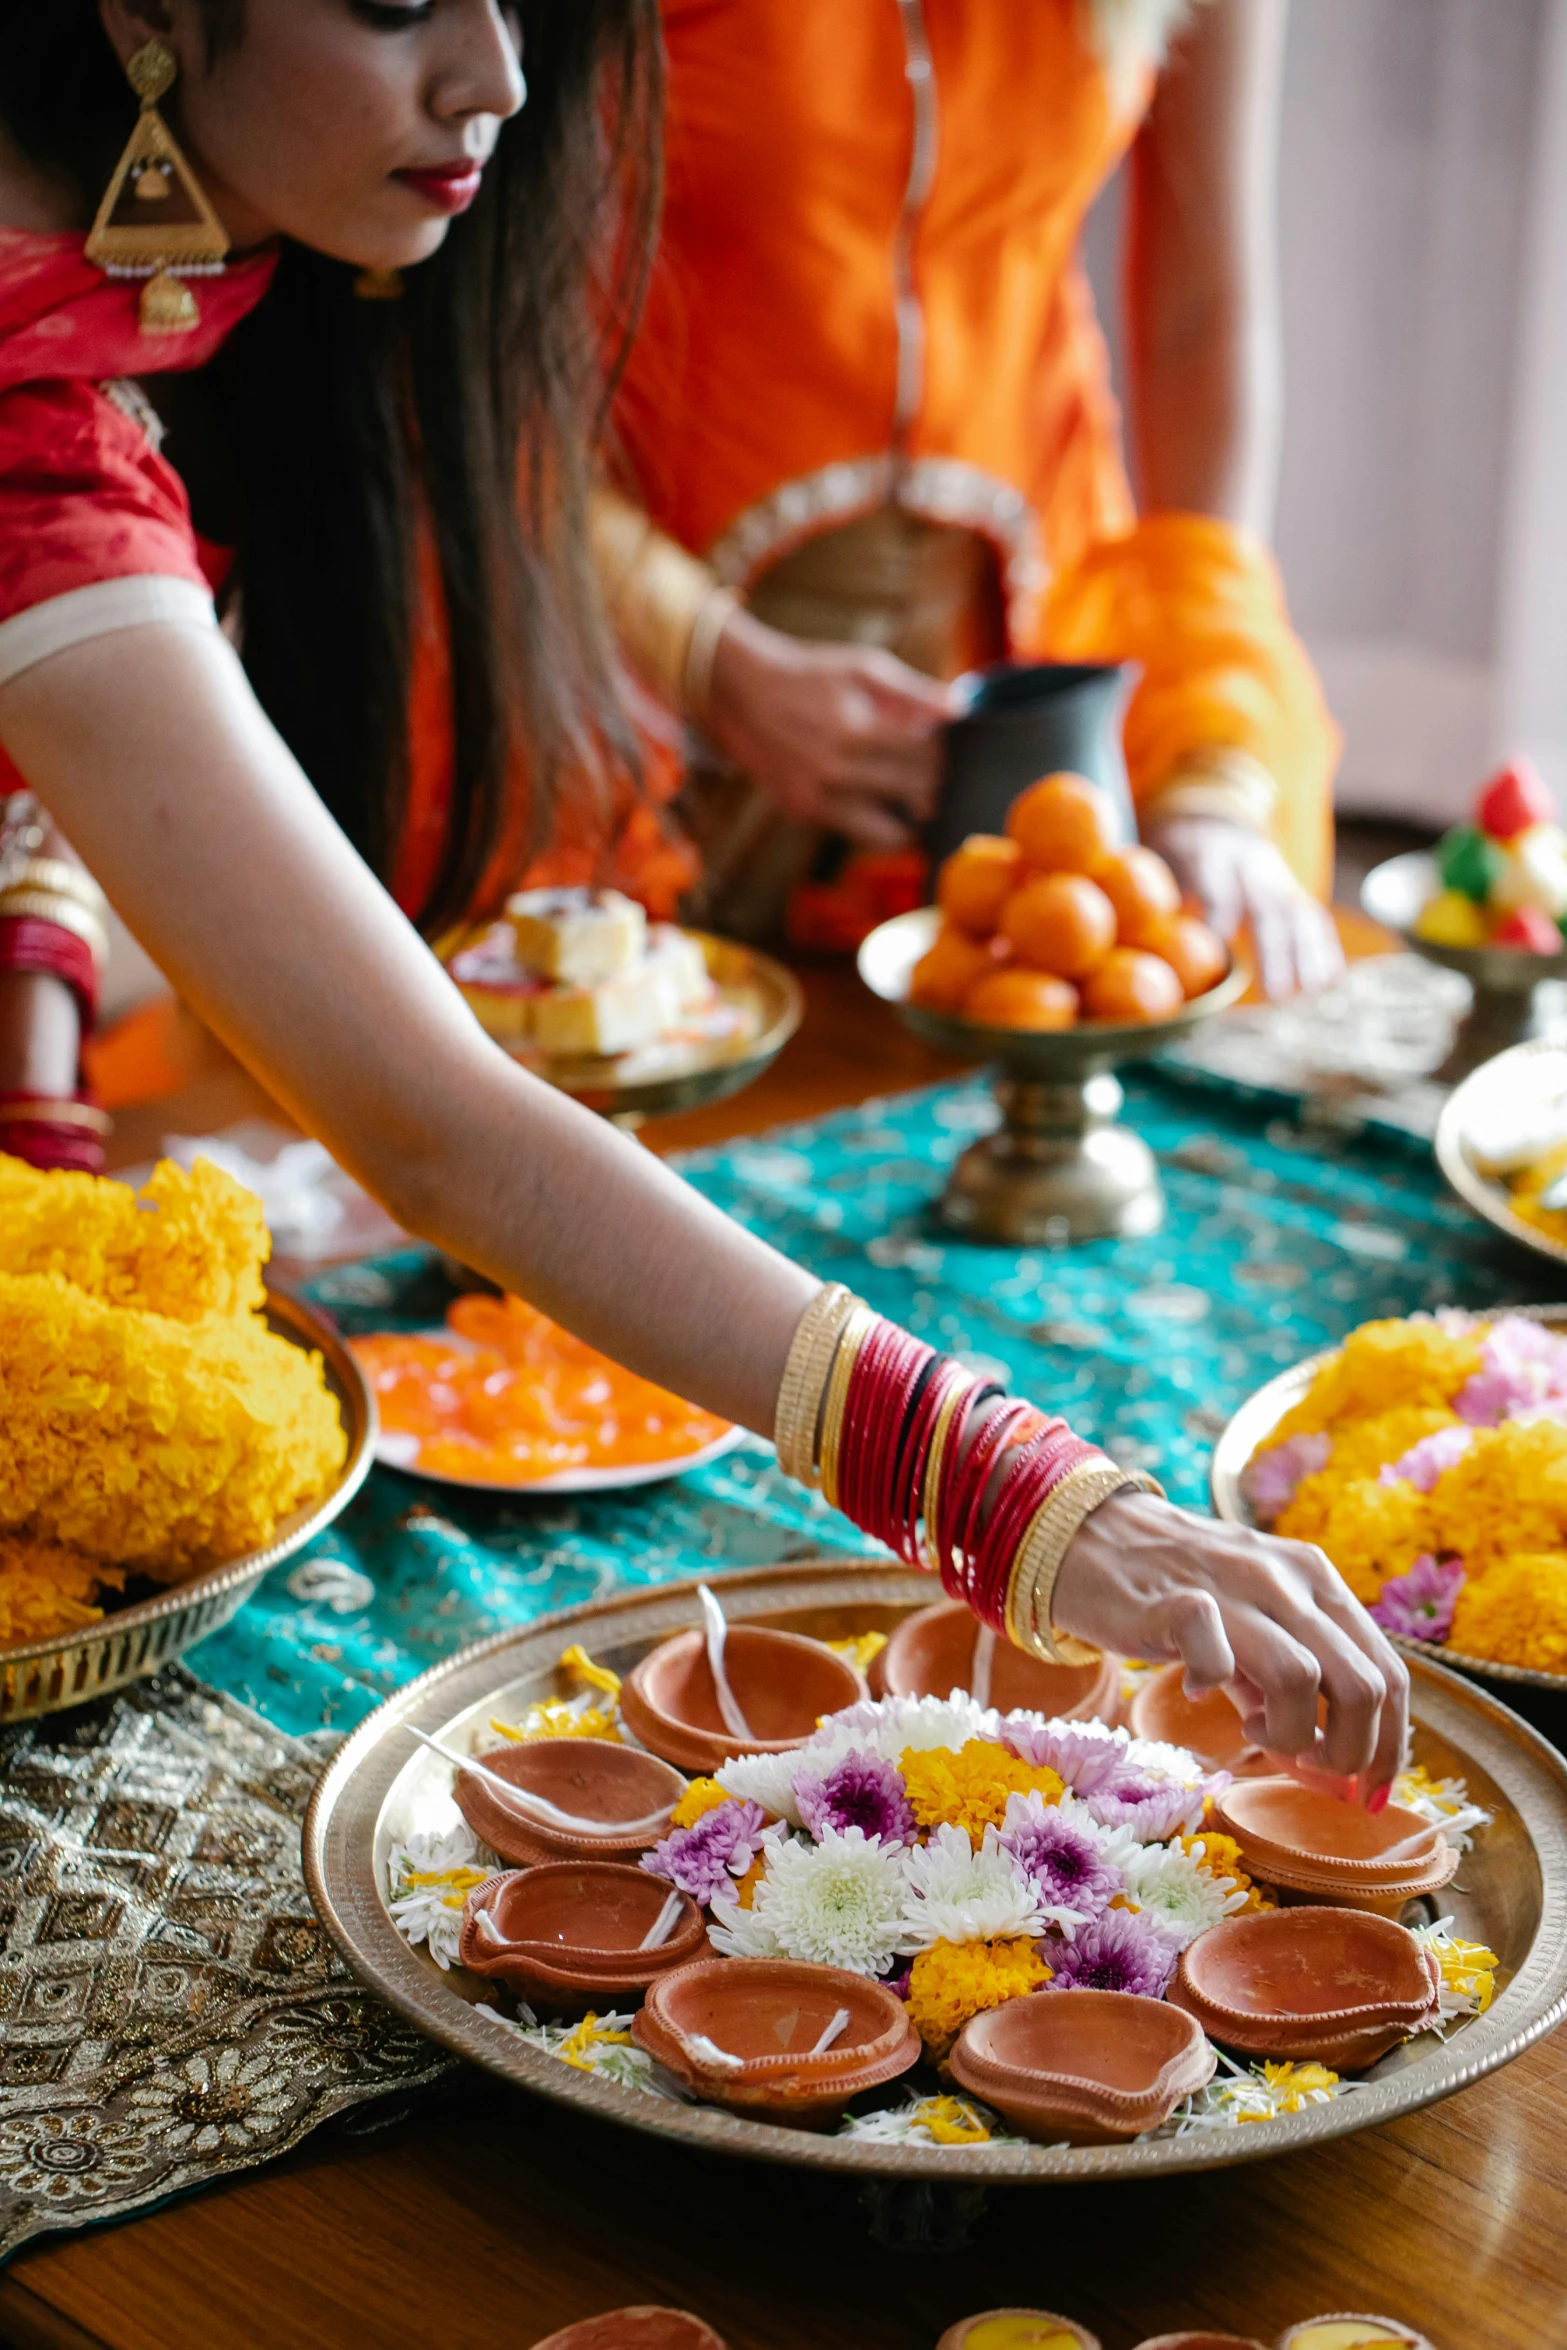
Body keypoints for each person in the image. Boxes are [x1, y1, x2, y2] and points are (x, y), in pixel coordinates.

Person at [0, 0, 1405, 1798]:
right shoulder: (46, 426)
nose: (497, 79)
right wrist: (1042, 1513)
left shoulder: (161, 272)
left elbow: (69, 738)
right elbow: (444, 1136)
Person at [592, 0, 1345, 998]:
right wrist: (706, 657)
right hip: (625, 656)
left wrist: (1207, 746)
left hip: (1034, 655)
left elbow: (1198, 324)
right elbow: (475, 367)